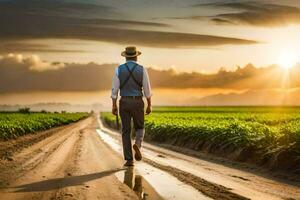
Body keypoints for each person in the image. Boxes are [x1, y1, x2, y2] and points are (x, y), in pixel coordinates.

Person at [111, 46, 152, 167]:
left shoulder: (118, 69)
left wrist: (114, 105)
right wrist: (149, 105)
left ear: (125, 57)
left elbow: (114, 90)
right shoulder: (142, 69)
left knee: (126, 131)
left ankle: (129, 160)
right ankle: (137, 144)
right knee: (140, 127)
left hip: (124, 102)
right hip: (137, 101)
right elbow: (147, 90)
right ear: (136, 56)